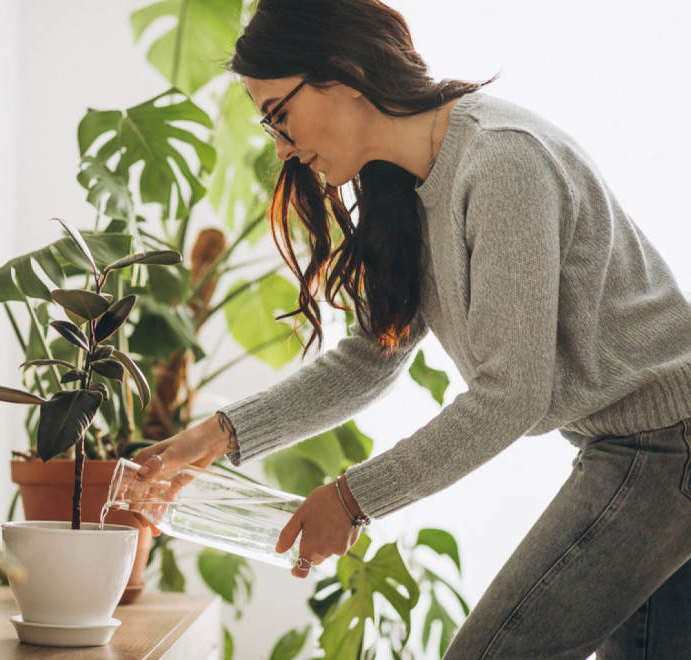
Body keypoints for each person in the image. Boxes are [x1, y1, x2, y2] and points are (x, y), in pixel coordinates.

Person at [133, 0, 691, 656]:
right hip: (640, 448)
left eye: (279, 116)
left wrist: (351, 498)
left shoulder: (501, 161)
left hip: (665, 448)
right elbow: (370, 357)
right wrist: (215, 436)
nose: (281, 149)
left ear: (340, 73)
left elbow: (511, 397)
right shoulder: (406, 185)